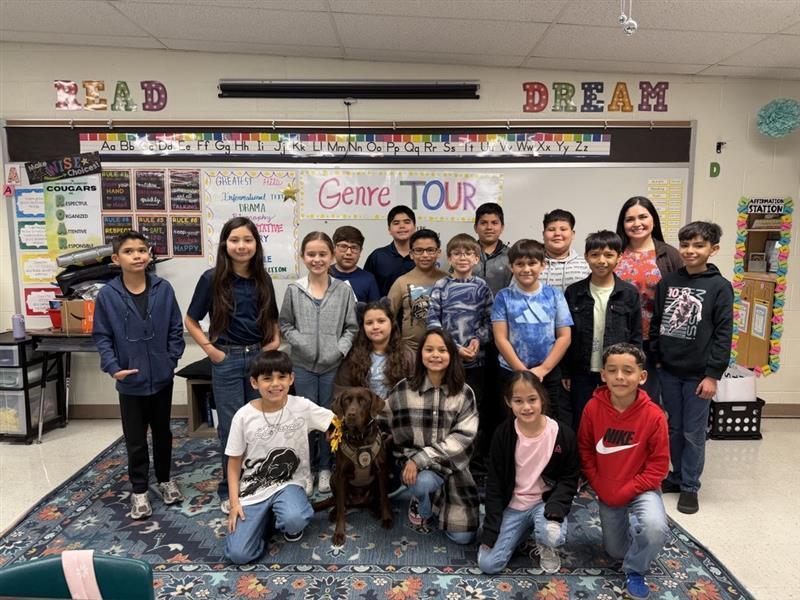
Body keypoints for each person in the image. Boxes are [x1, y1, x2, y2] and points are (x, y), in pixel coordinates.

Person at [186, 217, 281, 515]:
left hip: (258, 361)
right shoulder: (211, 278)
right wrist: (210, 350)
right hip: (225, 360)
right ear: (225, 244)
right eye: (235, 240)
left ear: (256, 245)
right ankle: (229, 488)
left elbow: (273, 321)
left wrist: (272, 345)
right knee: (230, 427)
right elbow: (191, 319)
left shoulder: (263, 279)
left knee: (260, 424)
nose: (241, 246)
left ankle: (258, 481)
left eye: (248, 240)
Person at [93, 230, 185, 519]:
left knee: (163, 433)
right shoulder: (108, 295)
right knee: (134, 437)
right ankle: (139, 489)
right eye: (129, 251)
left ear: (149, 255)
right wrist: (113, 368)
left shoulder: (163, 289)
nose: (137, 256)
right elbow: (102, 336)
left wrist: (170, 360)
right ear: (116, 258)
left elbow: (175, 327)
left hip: (161, 378)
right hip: (130, 381)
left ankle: (165, 479)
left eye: (142, 250)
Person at [650, 221, 733, 515]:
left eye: (698, 245)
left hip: (700, 375)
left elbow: (724, 334)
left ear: (713, 249)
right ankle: (675, 476)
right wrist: (658, 358)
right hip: (669, 370)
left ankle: (690, 486)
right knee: (674, 427)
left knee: (693, 432)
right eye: (685, 245)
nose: (690, 251)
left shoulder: (719, 287)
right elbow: (658, 321)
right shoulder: (668, 281)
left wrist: (713, 375)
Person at [577, 343, 669, 600]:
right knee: (615, 551)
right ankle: (631, 531)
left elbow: (659, 467)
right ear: (603, 374)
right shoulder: (592, 408)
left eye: (627, 371)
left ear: (642, 376)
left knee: (655, 528)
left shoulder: (654, 415)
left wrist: (626, 490)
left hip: (642, 488)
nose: (619, 377)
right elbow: (585, 450)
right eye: (612, 370)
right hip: (607, 487)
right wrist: (599, 484)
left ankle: (636, 569)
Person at [224, 351, 334, 564]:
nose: (275, 384)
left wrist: (334, 435)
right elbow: (234, 463)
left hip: (289, 483)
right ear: (254, 383)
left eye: (281, 377)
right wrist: (234, 502)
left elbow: (334, 422)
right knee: (239, 555)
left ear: (291, 379)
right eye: (267, 378)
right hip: (254, 488)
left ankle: (279, 515)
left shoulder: (301, 406)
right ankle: (266, 519)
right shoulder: (243, 416)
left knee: (295, 519)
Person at [279, 231, 358, 495]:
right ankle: (305, 469)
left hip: (331, 367)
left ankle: (326, 467)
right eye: (311, 254)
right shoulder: (294, 290)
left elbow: (351, 327)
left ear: (332, 256)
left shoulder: (343, 290)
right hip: (302, 366)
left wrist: (339, 350)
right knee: (302, 419)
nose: (317, 259)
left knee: (330, 419)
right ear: (303, 257)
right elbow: (285, 324)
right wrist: (300, 342)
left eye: (322, 254)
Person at [478, 371, 579, 575]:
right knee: (487, 564)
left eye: (532, 399)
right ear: (509, 402)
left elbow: (569, 479)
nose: (526, 407)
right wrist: (491, 531)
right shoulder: (503, 434)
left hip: (544, 503)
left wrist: (556, 509)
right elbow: (495, 485)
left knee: (552, 535)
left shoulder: (562, 434)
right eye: (518, 401)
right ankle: (523, 532)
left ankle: (545, 543)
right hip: (513, 506)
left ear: (542, 398)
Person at [387, 328, 480, 544]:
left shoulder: (465, 393)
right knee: (423, 483)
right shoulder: (404, 389)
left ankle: (439, 504)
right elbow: (381, 419)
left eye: (442, 350)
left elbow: (464, 438)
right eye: (429, 350)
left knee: (464, 537)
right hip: (416, 470)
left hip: (452, 468)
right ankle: (421, 498)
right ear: (421, 354)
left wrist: (422, 458)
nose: (435, 355)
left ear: (452, 355)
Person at [563, 230, 642, 429]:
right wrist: (566, 371)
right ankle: (584, 461)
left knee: (616, 422)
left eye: (608, 255)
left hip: (617, 372)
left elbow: (635, 336)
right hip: (582, 372)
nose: (601, 261)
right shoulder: (574, 292)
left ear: (619, 258)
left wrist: (635, 370)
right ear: (586, 257)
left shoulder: (629, 293)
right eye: (595, 254)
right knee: (582, 421)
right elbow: (566, 335)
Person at [491, 239, 573, 424]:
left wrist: (543, 369)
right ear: (511, 267)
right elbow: (500, 338)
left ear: (543, 265)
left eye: (532, 263)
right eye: (519, 264)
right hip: (511, 371)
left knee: (548, 422)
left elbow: (564, 337)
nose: (526, 269)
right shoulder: (503, 297)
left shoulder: (554, 295)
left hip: (547, 373)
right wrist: (522, 371)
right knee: (512, 423)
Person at [427, 233, 493, 459]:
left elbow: (490, 320)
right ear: (449, 258)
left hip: (477, 361)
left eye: (469, 253)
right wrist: (453, 347)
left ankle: (470, 461)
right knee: (447, 408)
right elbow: (432, 321)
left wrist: (477, 340)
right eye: (457, 253)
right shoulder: (441, 286)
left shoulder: (482, 287)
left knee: (474, 409)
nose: (463, 257)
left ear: (477, 258)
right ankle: (444, 458)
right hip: (447, 362)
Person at [615, 197, 682, 404]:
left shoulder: (668, 254)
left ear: (653, 220)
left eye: (643, 217)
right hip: (620, 336)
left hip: (655, 340)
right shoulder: (615, 252)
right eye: (630, 219)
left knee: (651, 398)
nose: (637, 224)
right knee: (621, 396)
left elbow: (680, 298)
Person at [334, 298, 416, 423]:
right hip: (363, 419)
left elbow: (415, 390)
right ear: (363, 326)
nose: (375, 326)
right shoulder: (353, 356)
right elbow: (341, 389)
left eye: (381, 321)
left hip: (397, 418)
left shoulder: (407, 355)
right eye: (369, 323)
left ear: (392, 323)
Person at [388, 229, 448, 352]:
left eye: (430, 250)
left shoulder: (448, 280)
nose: (425, 255)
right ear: (411, 254)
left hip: (442, 350)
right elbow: (387, 316)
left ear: (438, 252)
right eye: (419, 250)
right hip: (410, 351)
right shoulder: (401, 282)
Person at [364, 205, 416, 297]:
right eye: (396, 223)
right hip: (384, 310)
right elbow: (367, 289)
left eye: (407, 222)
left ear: (414, 227)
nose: (402, 226)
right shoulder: (377, 256)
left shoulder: (422, 256)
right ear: (389, 230)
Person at [540, 209, 591, 292]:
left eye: (563, 229)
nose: (557, 233)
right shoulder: (530, 264)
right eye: (551, 229)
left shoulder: (586, 265)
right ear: (543, 234)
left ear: (572, 234)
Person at [330, 225, 380, 304]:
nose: (348, 252)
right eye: (343, 246)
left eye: (354, 247)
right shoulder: (324, 274)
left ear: (360, 251)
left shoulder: (368, 279)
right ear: (334, 248)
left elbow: (375, 312)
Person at [472, 202, 512, 296]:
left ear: (502, 227)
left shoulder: (512, 255)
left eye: (494, 223)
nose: (489, 227)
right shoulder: (465, 254)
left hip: (502, 309)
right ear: (475, 228)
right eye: (483, 223)